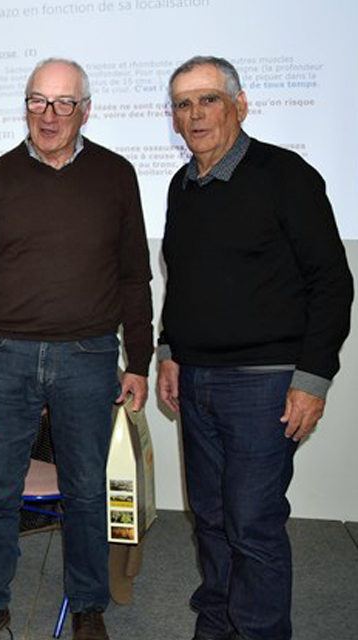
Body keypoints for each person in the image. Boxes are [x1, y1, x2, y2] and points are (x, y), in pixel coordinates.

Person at [0, 58, 153, 640]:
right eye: (39, 101)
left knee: (86, 490)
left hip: (88, 357)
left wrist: (139, 359)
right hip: (5, 356)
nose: (50, 115)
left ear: (86, 110)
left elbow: (136, 277)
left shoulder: (116, 175)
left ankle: (88, 606)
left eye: (64, 103)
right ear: (25, 106)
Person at [156, 56, 353, 640]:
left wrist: (312, 379)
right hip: (196, 381)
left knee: (252, 523)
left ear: (239, 105)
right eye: (183, 104)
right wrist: (169, 349)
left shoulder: (285, 175)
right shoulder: (181, 183)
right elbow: (183, 278)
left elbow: (332, 282)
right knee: (211, 520)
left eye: (207, 100)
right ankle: (217, 625)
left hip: (265, 384)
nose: (195, 115)